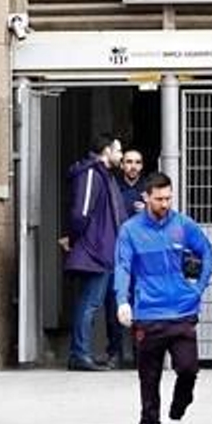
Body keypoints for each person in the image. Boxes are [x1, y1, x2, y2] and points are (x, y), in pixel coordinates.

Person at [113, 172, 212, 424]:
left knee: (188, 369)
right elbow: (122, 266)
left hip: (182, 310)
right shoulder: (131, 230)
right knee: (149, 376)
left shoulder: (183, 225)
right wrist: (122, 300)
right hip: (148, 312)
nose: (165, 203)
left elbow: (207, 251)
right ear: (146, 197)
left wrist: (198, 288)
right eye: (159, 199)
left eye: (168, 198)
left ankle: (175, 417)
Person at [62, 132, 125, 371]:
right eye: (118, 150)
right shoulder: (91, 173)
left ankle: (81, 353)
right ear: (106, 151)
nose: (120, 155)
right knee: (90, 303)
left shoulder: (102, 175)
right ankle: (79, 354)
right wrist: (76, 239)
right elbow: (81, 213)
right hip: (96, 251)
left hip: (101, 250)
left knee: (94, 303)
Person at [105, 146, 147, 367]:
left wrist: (147, 209)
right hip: (118, 250)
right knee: (116, 303)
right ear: (122, 165)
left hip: (142, 254)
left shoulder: (147, 189)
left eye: (137, 162)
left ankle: (140, 354)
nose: (133, 166)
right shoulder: (113, 187)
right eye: (129, 161)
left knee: (140, 304)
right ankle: (114, 353)